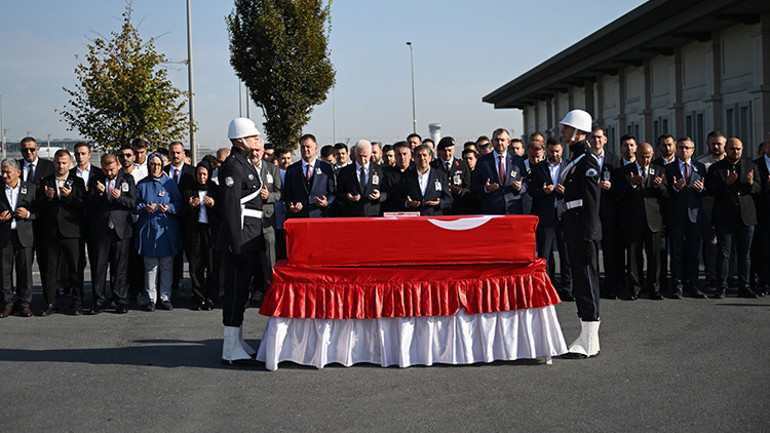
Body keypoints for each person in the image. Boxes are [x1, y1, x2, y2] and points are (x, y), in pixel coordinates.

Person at [218, 118, 266, 365]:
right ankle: (230, 348)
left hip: (251, 236)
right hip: (240, 239)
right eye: (253, 137)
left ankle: (237, 341)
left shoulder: (244, 163)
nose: (257, 140)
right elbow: (230, 208)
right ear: (239, 140)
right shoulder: (232, 166)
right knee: (235, 293)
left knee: (242, 291)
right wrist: (236, 244)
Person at [557, 109, 602, 359]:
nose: (562, 131)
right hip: (573, 226)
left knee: (587, 281)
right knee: (579, 280)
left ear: (578, 132)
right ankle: (584, 335)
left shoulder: (587, 161)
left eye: (567, 127)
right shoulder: (575, 158)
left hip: (582, 228)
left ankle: (591, 341)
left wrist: (588, 236)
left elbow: (592, 202)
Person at [705, 138, 761, 298]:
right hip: (725, 217)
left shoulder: (751, 166)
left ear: (742, 149)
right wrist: (726, 183)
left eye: (738, 149)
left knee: (745, 254)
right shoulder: (716, 168)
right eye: (732, 149)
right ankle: (722, 286)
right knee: (724, 253)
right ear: (726, 149)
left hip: (746, 217)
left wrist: (751, 183)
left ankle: (744, 286)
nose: (735, 152)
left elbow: (759, 188)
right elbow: (710, 190)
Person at [615, 142, 668, 300]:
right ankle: (634, 289)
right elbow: (618, 194)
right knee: (633, 256)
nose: (645, 160)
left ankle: (654, 288)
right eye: (642, 157)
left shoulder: (659, 170)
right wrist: (631, 184)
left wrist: (659, 187)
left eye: (648, 157)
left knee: (654, 256)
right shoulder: (624, 171)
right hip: (633, 219)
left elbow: (666, 196)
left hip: (654, 219)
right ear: (636, 155)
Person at [37, 150, 86, 316]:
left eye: (64, 163)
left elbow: (83, 204)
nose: (61, 166)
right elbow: (39, 206)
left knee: (75, 269)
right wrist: (48, 198)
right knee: (49, 270)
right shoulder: (46, 181)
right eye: (58, 162)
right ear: (54, 163)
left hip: (72, 232)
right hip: (51, 232)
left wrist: (69, 196)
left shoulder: (77, 182)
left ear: (70, 164)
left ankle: (77, 302)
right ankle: (50, 302)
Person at [86, 154, 137, 314]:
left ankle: (120, 300)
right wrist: (100, 193)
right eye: (105, 170)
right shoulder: (96, 180)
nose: (109, 173)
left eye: (112, 169)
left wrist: (120, 197)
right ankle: (99, 301)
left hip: (121, 229)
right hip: (101, 230)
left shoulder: (127, 179)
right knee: (99, 268)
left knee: (120, 268)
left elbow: (132, 202)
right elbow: (88, 203)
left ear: (118, 165)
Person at [134, 153, 183, 311]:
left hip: (166, 229)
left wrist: (169, 208)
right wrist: (144, 208)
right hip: (148, 229)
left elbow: (179, 203)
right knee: (150, 266)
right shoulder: (142, 184)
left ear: (162, 166)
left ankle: (165, 297)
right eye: (152, 164)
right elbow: (134, 205)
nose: (155, 167)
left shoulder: (169, 183)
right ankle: (151, 298)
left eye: (158, 165)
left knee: (167, 265)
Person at [529, 137, 572, 300]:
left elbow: (576, 189)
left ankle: (567, 288)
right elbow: (531, 191)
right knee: (544, 254)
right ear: (546, 150)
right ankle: (545, 288)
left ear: (562, 150)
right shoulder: (538, 167)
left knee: (566, 254)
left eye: (557, 151)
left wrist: (565, 191)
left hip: (564, 215)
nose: (554, 154)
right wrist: (544, 191)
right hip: (545, 215)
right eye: (551, 151)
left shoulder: (568, 166)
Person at [664, 137, 707, 299]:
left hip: (694, 216)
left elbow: (707, 190)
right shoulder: (668, 168)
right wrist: (675, 188)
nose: (684, 150)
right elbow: (664, 192)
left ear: (692, 150)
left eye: (687, 148)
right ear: (676, 149)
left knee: (693, 253)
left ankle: (693, 285)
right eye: (681, 147)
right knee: (676, 253)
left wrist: (702, 189)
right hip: (676, 216)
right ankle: (677, 285)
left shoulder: (700, 167)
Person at [17, 137, 54, 303]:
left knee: (46, 264)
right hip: (22, 223)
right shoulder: (16, 166)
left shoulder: (48, 166)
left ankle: (49, 299)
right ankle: (22, 300)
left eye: (32, 149)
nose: (29, 152)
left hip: (43, 222)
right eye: (25, 150)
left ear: (37, 149)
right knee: (23, 265)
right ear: (21, 151)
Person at [589, 126, 623, 299]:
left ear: (605, 139)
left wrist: (612, 186)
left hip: (609, 211)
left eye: (599, 137)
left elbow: (621, 185)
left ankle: (611, 286)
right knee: (591, 252)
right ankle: (593, 287)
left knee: (610, 251)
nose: (596, 140)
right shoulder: (584, 159)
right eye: (593, 137)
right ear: (589, 140)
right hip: (591, 212)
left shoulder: (613, 159)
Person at [180, 162, 220, 311]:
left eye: (204, 174)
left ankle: (211, 296)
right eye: (199, 174)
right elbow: (182, 212)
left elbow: (222, 211)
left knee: (212, 265)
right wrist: (191, 207)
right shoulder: (190, 190)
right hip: (195, 231)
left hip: (210, 231)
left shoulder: (215, 189)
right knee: (196, 265)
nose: (201, 177)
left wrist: (213, 205)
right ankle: (199, 297)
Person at [0, 159, 36, 318]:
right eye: (2, 172)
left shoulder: (30, 188)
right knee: (4, 271)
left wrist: (28, 214)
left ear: (18, 172)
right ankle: (7, 303)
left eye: (8, 172)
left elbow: (40, 211)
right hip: (5, 235)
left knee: (25, 271)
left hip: (24, 235)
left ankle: (24, 304)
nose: (4, 175)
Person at [248, 140, 282, 305]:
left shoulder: (272, 169)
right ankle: (250, 293)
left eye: (257, 150)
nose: (255, 153)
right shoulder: (244, 169)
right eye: (252, 150)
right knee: (249, 260)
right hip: (249, 221)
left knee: (269, 260)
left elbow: (279, 193)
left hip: (268, 222)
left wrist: (268, 196)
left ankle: (271, 294)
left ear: (263, 152)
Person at [470, 128, 527, 215]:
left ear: (508, 142)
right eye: (497, 140)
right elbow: (474, 186)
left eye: (502, 140)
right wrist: (486, 189)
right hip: (491, 210)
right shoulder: (483, 161)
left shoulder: (517, 160)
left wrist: (520, 187)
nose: (499, 143)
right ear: (492, 142)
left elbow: (526, 183)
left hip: (513, 209)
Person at [164, 141, 195, 298]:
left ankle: (195, 288)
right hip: (168, 219)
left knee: (192, 254)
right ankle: (174, 285)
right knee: (172, 254)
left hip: (189, 220)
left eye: (178, 152)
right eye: (172, 153)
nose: (175, 155)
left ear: (184, 154)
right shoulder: (162, 172)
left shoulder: (192, 173)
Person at [697, 131, 727, 290]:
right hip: (708, 207)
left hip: (728, 208)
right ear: (708, 144)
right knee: (711, 243)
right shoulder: (701, 163)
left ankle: (729, 274)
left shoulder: (732, 161)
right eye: (713, 143)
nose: (716, 147)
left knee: (728, 244)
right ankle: (712, 274)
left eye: (719, 144)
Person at [283, 134, 336, 219]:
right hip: (299, 217)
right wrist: (291, 207)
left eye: (308, 146)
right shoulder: (292, 169)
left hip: (320, 216)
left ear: (316, 147)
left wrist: (326, 203)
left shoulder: (326, 168)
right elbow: (287, 194)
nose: (305, 149)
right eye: (302, 147)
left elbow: (332, 193)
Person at [336, 140, 385, 217]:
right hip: (353, 215)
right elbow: (339, 193)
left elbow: (387, 192)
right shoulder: (345, 171)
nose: (362, 159)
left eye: (365, 156)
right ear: (355, 154)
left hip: (373, 214)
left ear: (370, 154)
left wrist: (379, 196)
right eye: (359, 156)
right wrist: (348, 198)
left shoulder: (380, 170)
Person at [401, 144, 452, 215]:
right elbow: (398, 197)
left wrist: (439, 203)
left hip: (434, 217)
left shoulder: (441, 176)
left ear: (430, 157)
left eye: (424, 155)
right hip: (414, 217)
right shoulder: (406, 176)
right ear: (414, 158)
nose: (422, 158)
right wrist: (408, 203)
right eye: (419, 156)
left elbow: (449, 199)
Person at [432, 137, 472, 215]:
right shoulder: (433, 166)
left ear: (454, 150)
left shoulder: (462, 165)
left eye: (449, 150)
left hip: (458, 206)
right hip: (439, 208)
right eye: (444, 151)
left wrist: (460, 191)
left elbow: (468, 187)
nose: (447, 153)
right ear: (439, 151)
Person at [752, 142, 770, 295]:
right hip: (763, 214)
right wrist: (766, 188)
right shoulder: (755, 165)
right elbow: (752, 189)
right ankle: (763, 283)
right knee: (763, 250)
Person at [381, 141, 413, 213]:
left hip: (413, 212)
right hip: (393, 211)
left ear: (410, 155)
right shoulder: (386, 173)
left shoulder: (416, 172)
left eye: (404, 154)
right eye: (399, 154)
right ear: (395, 156)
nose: (402, 157)